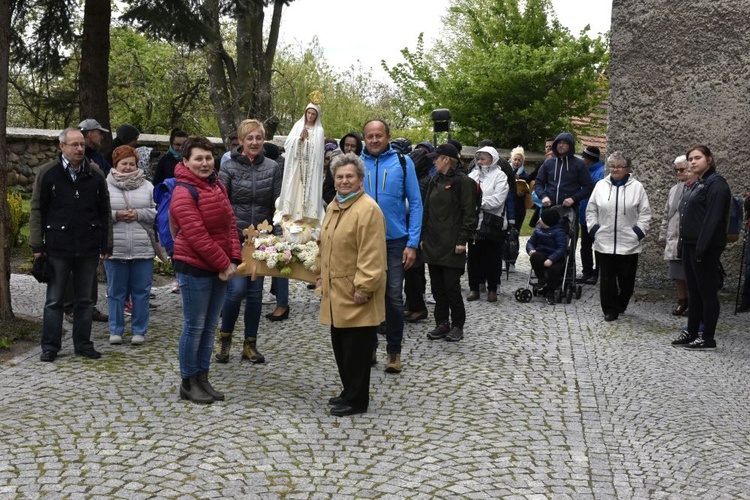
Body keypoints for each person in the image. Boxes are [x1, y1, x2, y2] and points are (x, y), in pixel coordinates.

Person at [30, 127, 112, 362]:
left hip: (87, 245)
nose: (79, 148)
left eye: (81, 145)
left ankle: (83, 344)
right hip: (58, 246)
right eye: (74, 144)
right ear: (61, 147)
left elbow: (104, 211)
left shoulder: (95, 173)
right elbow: (36, 210)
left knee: (85, 300)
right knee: (55, 299)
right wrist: (37, 246)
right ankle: (50, 346)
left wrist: (106, 244)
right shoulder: (48, 173)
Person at [171, 136, 241, 404]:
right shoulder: (183, 191)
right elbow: (197, 236)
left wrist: (234, 256)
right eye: (198, 158)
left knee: (210, 325)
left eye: (208, 158)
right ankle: (188, 382)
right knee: (195, 325)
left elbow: (229, 224)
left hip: (219, 267)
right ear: (186, 162)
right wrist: (224, 263)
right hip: (194, 267)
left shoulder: (217, 186)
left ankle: (203, 377)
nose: (204, 163)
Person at [317, 153, 387, 417]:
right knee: (342, 346)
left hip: (355, 291)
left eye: (350, 176)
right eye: (339, 177)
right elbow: (325, 244)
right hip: (336, 290)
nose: (344, 181)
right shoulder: (334, 206)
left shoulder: (367, 209)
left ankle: (358, 400)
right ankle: (348, 391)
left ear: (360, 179)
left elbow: (372, 254)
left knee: (357, 350)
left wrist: (364, 287)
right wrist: (321, 275)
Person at [215, 119, 284, 365]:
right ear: (241, 141)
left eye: (258, 138)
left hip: (261, 239)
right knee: (236, 291)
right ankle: (224, 338)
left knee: (255, 294)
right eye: (249, 138)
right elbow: (222, 206)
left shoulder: (273, 167)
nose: (254, 142)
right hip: (235, 238)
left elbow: (278, 204)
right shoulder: (229, 168)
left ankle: (250, 343)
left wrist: (275, 236)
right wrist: (229, 236)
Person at [361, 119, 423, 373]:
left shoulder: (402, 163)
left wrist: (413, 242)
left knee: (394, 298)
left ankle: (394, 351)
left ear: (387, 137)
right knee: (365, 295)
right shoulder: (355, 163)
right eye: (370, 136)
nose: (374, 140)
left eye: (379, 135)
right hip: (364, 241)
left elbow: (416, 203)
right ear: (364, 139)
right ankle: (370, 346)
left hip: (395, 241)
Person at [671, 145, 731, 349]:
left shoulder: (717, 185)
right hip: (690, 245)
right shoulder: (698, 183)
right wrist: (682, 245)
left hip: (704, 247)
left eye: (698, 158)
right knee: (693, 291)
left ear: (709, 160)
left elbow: (712, 221)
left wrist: (701, 249)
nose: (693, 161)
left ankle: (707, 337)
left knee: (707, 292)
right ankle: (692, 330)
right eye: (690, 158)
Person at [421, 143, 478, 342]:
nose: (434, 161)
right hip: (433, 242)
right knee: (437, 287)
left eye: (437, 158)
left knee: (451, 287)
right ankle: (442, 322)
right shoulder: (434, 180)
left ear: (446, 159)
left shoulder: (463, 182)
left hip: (453, 243)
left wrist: (463, 239)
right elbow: (426, 211)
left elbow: (470, 214)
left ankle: (457, 325)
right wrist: (422, 237)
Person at [586, 152, 651, 322]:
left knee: (626, 279)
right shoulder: (601, 185)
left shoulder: (637, 187)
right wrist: (594, 229)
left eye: (619, 166)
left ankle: (622, 302)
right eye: (612, 166)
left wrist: (638, 232)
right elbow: (591, 209)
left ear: (628, 168)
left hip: (628, 242)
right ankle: (609, 309)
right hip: (604, 240)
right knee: (606, 277)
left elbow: (645, 213)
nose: (615, 169)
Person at [104, 146, 156, 345]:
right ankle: (115, 330)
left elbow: (157, 212)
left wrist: (138, 214)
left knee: (141, 293)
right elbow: (96, 214)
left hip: (143, 249)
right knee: (115, 292)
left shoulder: (148, 186)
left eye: (131, 164)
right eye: (123, 163)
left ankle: (139, 330)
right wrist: (116, 216)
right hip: (115, 249)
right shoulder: (105, 186)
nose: (127, 167)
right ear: (116, 164)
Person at [467, 146, 509, 303]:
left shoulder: (500, 176)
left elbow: (499, 199)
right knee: (473, 257)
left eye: (483, 158)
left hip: (492, 221)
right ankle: (474, 288)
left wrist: (479, 203)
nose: (480, 161)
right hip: (475, 221)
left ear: (493, 159)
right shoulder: (473, 174)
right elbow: (466, 194)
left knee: (492, 257)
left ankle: (492, 288)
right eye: (479, 158)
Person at [280, 102, 325, 224]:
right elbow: (288, 144)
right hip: (296, 165)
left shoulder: (319, 130)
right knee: (293, 187)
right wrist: (300, 139)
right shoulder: (298, 125)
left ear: (317, 116)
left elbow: (318, 154)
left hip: (310, 168)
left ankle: (306, 216)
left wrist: (307, 142)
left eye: (313, 114)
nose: (310, 116)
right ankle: (289, 213)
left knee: (306, 190)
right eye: (308, 113)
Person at [403, 148, 433, 322]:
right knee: (413, 270)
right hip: (415, 229)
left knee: (413, 270)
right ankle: (413, 304)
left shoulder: (424, 181)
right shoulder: (424, 179)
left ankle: (417, 306)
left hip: (416, 230)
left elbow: (418, 207)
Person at [658, 155, 690, 316]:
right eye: (677, 170)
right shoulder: (674, 190)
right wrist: (663, 235)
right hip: (674, 237)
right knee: (677, 274)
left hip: (689, 238)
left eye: (682, 169)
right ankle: (682, 300)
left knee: (692, 274)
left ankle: (694, 302)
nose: (679, 172)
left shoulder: (697, 188)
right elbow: (667, 214)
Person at [526, 208, 568, 304]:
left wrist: (551, 259)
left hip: (555, 257)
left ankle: (550, 292)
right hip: (541, 253)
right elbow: (530, 242)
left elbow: (561, 248)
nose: (539, 219)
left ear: (547, 222)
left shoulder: (559, 232)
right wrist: (530, 249)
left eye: (542, 219)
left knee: (554, 270)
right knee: (535, 257)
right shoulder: (538, 230)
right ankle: (541, 278)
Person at [577, 146, 605, 284]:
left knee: (597, 245)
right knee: (585, 245)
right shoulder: (586, 171)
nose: (582, 160)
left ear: (589, 159)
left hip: (596, 217)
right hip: (584, 214)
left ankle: (596, 273)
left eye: (584, 157)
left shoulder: (600, 173)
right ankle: (587, 271)